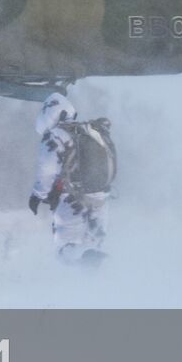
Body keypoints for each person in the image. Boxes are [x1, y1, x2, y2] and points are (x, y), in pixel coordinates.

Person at [28, 92, 113, 267]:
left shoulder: (56, 135)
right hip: (101, 196)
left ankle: (75, 277)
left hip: (73, 199)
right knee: (93, 243)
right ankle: (97, 278)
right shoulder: (88, 130)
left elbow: (47, 169)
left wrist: (38, 195)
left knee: (66, 246)